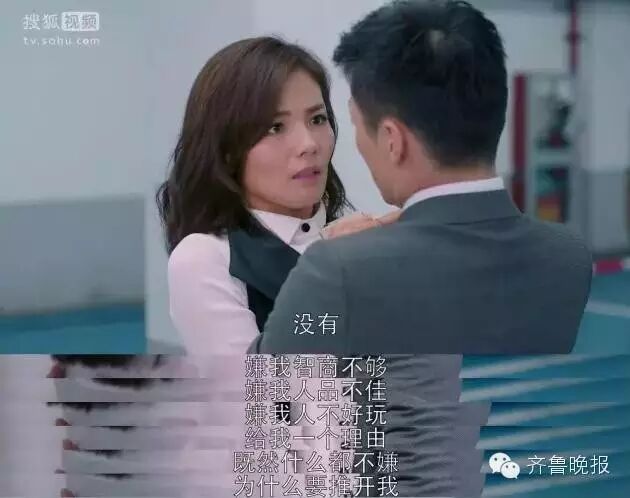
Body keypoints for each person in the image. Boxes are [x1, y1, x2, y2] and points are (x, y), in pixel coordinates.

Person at [247, 2, 593, 496]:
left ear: (393, 140)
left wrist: (321, 267)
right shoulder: (570, 259)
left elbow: (266, 419)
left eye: (354, 126)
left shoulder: (338, 270)